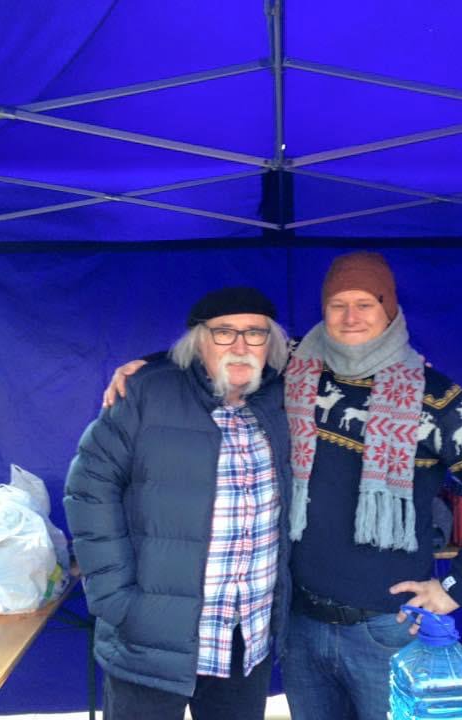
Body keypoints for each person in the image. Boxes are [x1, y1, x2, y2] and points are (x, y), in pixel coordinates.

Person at [103, 253, 462, 720]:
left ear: (389, 309)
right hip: (301, 624)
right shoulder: (293, 367)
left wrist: (454, 586)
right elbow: (224, 349)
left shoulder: (436, 397)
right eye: (337, 304)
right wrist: (147, 366)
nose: (350, 317)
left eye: (365, 304)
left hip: (385, 627)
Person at [64, 286, 294, 720]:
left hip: (244, 640)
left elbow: (344, 353)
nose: (241, 346)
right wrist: (116, 599)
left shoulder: (283, 398)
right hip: (150, 640)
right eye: (223, 332)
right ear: (198, 341)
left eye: (255, 333)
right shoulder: (147, 393)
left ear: (272, 343)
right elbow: (89, 488)